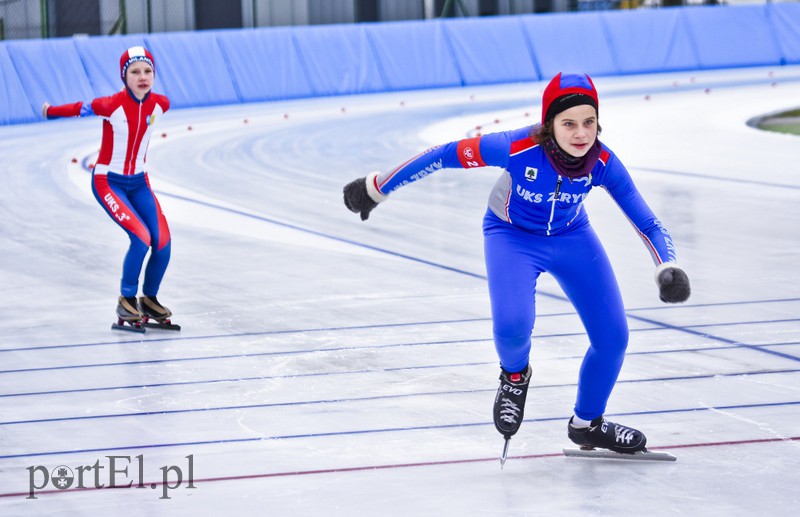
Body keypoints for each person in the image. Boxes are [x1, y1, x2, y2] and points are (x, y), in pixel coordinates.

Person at [343, 72, 690, 454]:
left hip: (572, 236)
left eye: (589, 122)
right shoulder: (515, 147)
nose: (581, 134)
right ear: (549, 124)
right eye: (569, 123)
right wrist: (377, 187)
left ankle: (587, 424)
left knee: (613, 339)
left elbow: (647, 222)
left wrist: (667, 267)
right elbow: (442, 155)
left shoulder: (603, 162)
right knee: (512, 327)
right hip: (511, 236)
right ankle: (514, 377)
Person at [42, 46, 175, 329]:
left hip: (139, 183)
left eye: (148, 71)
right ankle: (126, 300)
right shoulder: (111, 104)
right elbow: (78, 108)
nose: (142, 77)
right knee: (141, 238)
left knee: (163, 243)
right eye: (135, 72)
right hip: (108, 182)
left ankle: (149, 299)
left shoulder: (161, 104)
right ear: (124, 77)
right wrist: (50, 111)